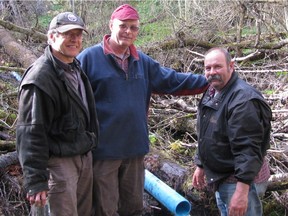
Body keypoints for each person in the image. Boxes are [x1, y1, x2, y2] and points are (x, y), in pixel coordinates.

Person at [77, 4, 208, 216]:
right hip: (103, 151)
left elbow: (172, 80)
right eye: (123, 26)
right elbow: (73, 102)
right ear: (111, 25)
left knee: (133, 207)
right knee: (104, 208)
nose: (128, 31)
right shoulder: (88, 58)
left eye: (133, 27)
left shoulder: (142, 62)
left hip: (134, 150)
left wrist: (209, 81)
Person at [16, 12, 99, 216]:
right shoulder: (39, 78)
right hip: (59, 165)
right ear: (51, 37)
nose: (74, 39)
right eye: (67, 34)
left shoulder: (74, 68)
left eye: (78, 34)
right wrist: (36, 180)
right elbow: (30, 132)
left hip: (82, 156)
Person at [192, 47, 272, 216]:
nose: (212, 72)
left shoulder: (243, 101)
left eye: (218, 66)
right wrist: (200, 164)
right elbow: (206, 132)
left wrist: (242, 192)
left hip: (240, 182)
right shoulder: (213, 91)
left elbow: (248, 150)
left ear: (231, 66)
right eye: (208, 68)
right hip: (221, 177)